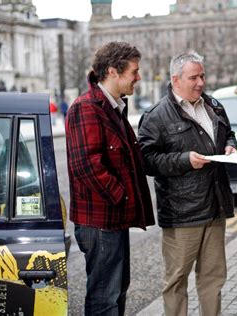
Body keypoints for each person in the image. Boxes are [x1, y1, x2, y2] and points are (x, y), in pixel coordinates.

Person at [138, 51, 237, 315]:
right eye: (194, 77)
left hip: (215, 207)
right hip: (182, 214)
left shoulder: (213, 105)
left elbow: (229, 133)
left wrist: (230, 146)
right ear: (176, 79)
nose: (201, 82)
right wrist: (183, 160)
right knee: (176, 281)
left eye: (202, 76)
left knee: (213, 279)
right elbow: (147, 161)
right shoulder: (156, 116)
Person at [65, 41, 155, 315]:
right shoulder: (87, 107)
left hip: (112, 219)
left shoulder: (112, 106)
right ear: (113, 71)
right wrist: (123, 196)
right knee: (105, 299)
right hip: (100, 222)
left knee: (116, 292)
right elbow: (87, 166)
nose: (138, 77)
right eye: (134, 72)